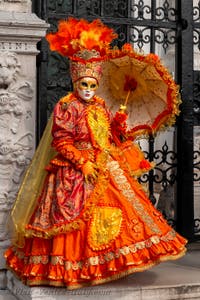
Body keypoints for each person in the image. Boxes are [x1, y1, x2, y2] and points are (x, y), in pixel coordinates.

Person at [5, 17, 187, 290]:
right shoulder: (67, 106)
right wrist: (82, 164)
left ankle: (108, 263)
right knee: (71, 219)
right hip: (74, 170)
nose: (88, 91)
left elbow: (107, 136)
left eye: (92, 85)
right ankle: (72, 269)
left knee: (123, 211)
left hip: (105, 164)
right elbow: (62, 141)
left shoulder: (101, 105)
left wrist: (118, 124)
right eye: (84, 85)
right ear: (76, 82)